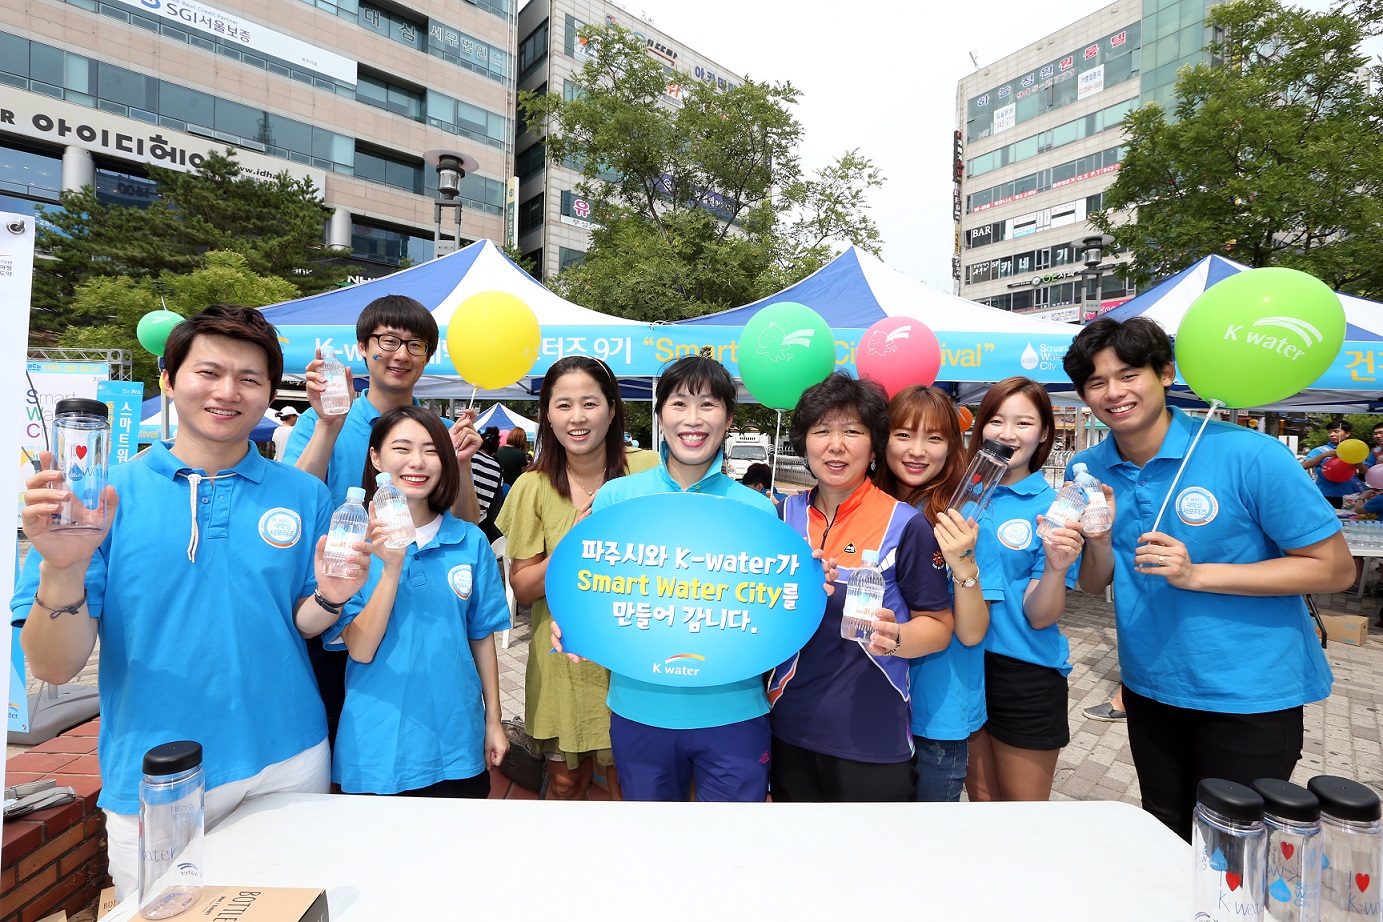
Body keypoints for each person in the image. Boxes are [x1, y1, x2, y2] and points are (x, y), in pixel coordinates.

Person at [11, 305, 370, 899]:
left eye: (250, 379)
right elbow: (52, 667)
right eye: (208, 372)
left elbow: (304, 625)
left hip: (292, 755)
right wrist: (61, 564)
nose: (228, 392)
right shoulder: (101, 500)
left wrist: (330, 599)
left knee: (293, 906)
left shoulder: (305, 494)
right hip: (160, 774)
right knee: (168, 914)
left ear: (267, 393)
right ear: (169, 381)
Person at [1063, 316, 1353, 841]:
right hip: (1149, 685)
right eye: (1096, 382)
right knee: (1166, 832)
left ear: (1166, 373)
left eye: (1128, 375)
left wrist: (1197, 573)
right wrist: (1098, 543)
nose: (1113, 393)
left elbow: (1334, 568)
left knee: (1234, 849)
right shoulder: (1087, 469)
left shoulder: (1248, 454)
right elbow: (1093, 583)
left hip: (1249, 692)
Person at [563, 355, 779, 802]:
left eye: (709, 405)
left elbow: (769, 611)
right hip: (640, 709)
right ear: (660, 415)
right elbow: (590, 586)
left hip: (733, 713)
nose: (693, 420)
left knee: (734, 852)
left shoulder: (757, 511)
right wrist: (572, 620)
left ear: (729, 418)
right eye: (679, 404)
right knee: (651, 853)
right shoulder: (617, 498)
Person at [281, 294, 483, 751]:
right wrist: (327, 426)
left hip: (412, 609)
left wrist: (461, 465)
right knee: (336, 742)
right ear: (361, 347)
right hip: (334, 609)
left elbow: (466, 528)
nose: (401, 354)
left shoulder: (434, 434)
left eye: (416, 345)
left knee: (403, 738)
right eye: (389, 340)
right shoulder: (329, 416)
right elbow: (293, 501)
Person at [768, 373, 955, 802]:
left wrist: (897, 637)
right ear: (805, 443)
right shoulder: (779, 518)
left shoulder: (905, 524)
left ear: (874, 447)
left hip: (870, 736)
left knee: (873, 865)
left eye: (853, 431)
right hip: (786, 726)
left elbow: (940, 625)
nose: (837, 445)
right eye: (822, 431)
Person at [495, 356, 657, 800]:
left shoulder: (649, 472)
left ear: (612, 407)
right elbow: (524, 587)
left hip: (635, 653)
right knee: (567, 783)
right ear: (546, 413)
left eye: (590, 403)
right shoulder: (532, 486)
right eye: (563, 405)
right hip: (563, 656)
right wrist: (574, 542)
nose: (578, 417)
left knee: (632, 783)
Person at [326, 406, 509, 797]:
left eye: (430, 450)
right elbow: (359, 648)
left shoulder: (470, 540)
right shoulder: (351, 543)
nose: (417, 462)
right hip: (378, 746)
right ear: (376, 457)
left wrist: (494, 719)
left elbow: (480, 637)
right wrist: (390, 567)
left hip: (458, 741)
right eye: (402, 448)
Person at [964, 376, 1083, 804]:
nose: (1007, 434)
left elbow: (1041, 615)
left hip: (1025, 673)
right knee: (981, 801)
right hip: (961, 665)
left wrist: (1055, 567)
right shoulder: (961, 493)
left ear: (1044, 433)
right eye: (996, 421)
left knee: (1024, 815)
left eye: (1024, 423)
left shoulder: (1056, 507)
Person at [874, 385, 993, 802]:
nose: (917, 450)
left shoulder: (967, 515)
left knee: (927, 846)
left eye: (934, 437)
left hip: (935, 714)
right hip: (872, 706)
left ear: (952, 446)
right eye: (903, 434)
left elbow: (973, 632)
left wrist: (963, 565)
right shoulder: (868, 506)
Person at [1300, 418, 1365, 508]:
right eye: (1330, 432)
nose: (1332, 434)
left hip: (1350, 495)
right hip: (1325, 494)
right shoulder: (1319, 450)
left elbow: (1364, 471)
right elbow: (1303, 466)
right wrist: (1324, 455)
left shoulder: (1354, 449)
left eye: (1336, 431)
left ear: (1347, 434)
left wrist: (1359, 463)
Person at [472, 426, 505, 543]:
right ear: (494, 451)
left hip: (454, 516)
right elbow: (495, 507)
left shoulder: (468, 457)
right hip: (480, 523)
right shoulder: (497, 468)